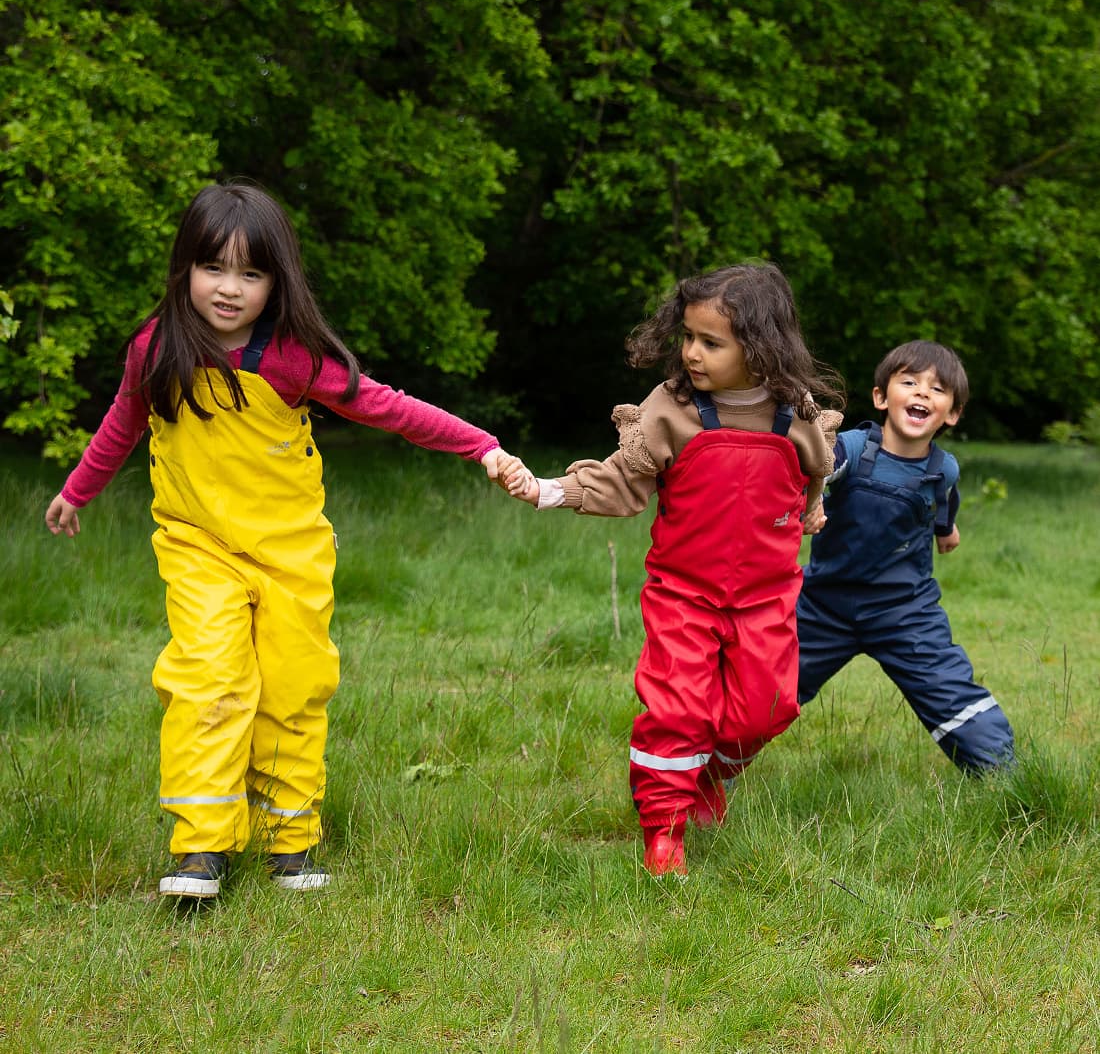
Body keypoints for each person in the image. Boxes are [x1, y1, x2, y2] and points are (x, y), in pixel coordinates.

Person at [45, 181, 529, 900]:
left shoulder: (292, 360)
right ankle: (200, 849)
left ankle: (288, 842)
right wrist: (77, 488)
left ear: (278, 281)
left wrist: (481, 447)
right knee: (208, 679)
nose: (230, 289)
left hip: (291, 553)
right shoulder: (157, 348)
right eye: (214, 269)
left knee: (292, 690)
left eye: (251, 273)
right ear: (185, 270)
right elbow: (124, 420)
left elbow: (389, 408)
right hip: (198, 546)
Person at [502, 262, 844, 875]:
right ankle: (665, 829)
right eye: (687, 336)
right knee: (679, 710)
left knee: (768, 709)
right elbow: (622, 481)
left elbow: (814, 471)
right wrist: (551, 490)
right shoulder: (673, 409)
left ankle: (710, 774)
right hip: (684, 594)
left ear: (762, 347)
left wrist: (812, 512)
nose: (692, 353)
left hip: (766, 596)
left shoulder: (794, 413)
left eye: (711, 342)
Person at [796, 340, 1015, 772]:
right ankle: (705, 774)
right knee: (767, 691)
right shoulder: (854, 448)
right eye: (910, 382)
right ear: (881, 397)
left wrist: (946, 531)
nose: (921, 393)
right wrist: (813, 494)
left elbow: (943, 499)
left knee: (950, 690)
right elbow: (824, 464)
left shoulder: (943, 467)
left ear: (951, 413)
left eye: (936, 389)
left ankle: (1003, 774)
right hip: (823, 605)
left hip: (904, 609)